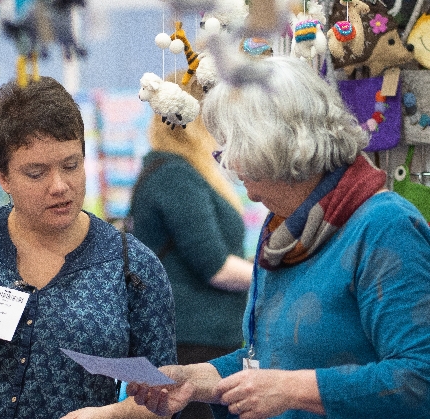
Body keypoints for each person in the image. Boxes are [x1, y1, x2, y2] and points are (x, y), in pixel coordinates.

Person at [126, 55, 430, 419]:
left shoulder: (384, 227)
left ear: (272, 145)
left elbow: (418, 380)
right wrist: (195, 379)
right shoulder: (284, 231)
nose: (231, 166)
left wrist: (292, 390)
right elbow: (267, 361)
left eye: (231, 148)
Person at [0, 76, 177, 419]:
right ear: (2, 177)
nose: (59, 186)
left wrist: (111, 415)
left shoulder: (133, 266)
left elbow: (162, 398)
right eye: (36, 173)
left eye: (71, 165)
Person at [128, 71, 253, 419]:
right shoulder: (174, 174)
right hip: (193, 343)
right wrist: (277, 273)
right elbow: (215, 266)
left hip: (205, 340)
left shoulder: (181, 171)